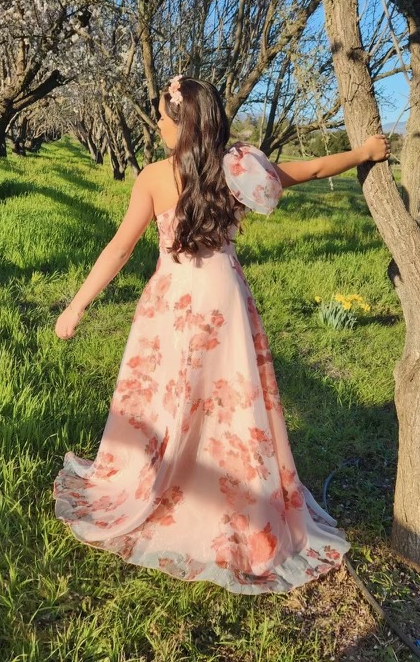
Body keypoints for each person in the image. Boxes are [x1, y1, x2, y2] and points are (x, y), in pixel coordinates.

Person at [53, 75, 390, 594]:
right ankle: (231, 497)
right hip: (224, 301)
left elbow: (120, 249)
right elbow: (315, 168)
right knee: (228, 403)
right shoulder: (238, 169)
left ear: (179, 123)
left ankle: (168, 482)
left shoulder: (152, 178)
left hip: (173, 304)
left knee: (168, 398)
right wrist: (366, 149)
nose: (159, 126)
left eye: (163, 119)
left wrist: (77, 305)